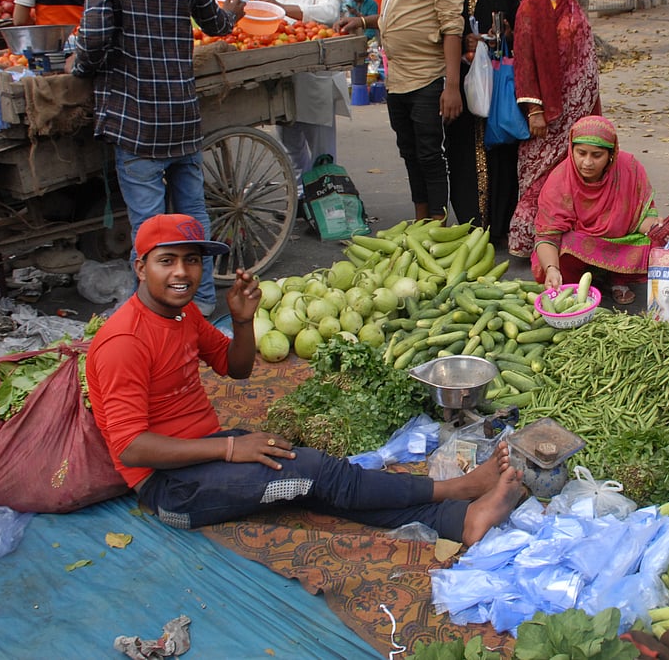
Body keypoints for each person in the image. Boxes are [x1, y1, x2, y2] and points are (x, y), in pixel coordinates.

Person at [86, 213, 524, 544]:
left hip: (204, 452)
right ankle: (457, 489)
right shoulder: (124, 341)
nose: (182, 272)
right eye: (167, 261)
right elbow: (131, 447)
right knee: (315, 472)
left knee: (316, 483)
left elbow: (236, 368)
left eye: (192, 261)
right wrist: (232, 448)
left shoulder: (181, 315)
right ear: (140, 268)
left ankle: (459, 521)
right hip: (171, 488)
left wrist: (243, 322)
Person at [71, 0, 245, 317]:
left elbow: (93, 40)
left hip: (136, 123)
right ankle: (200, 304)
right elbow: (216, 25)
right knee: (192, 216)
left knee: (149, 228)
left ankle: (157, 315)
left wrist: (81, 66)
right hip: (182, 119)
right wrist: (234, 11)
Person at [335, 0, 467, 222]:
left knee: (429, 154)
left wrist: (452, 86)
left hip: (429, 77)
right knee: (409, 152)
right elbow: (394, 14)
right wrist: (362, 22)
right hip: (397, 78)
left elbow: (452, 27)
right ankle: (420, 219)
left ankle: (438, 227)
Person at [509, 0, 602, 258]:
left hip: (578, 109)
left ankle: (566, 242)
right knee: (540, 178)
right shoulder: (531, 6)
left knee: (573, 177)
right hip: (548, 115)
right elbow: (524, 61)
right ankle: (529, 241)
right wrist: (534, 110)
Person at [533, 116, 659, 306]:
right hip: (580, 244)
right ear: (571, 150)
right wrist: (552, 268)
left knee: (657, 241)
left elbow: (641, 217)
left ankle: (618, 278)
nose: (587, 162)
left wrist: (660, 229)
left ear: (611, 154)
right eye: (581, 153)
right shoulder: (559, 180)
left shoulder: (629, 168)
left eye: (597, 155)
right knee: (564, 246)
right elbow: (547, 235)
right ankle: (573, 281)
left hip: (619, 241)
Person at [258, 0, 348, 190]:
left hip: (314, 83)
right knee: (291, 148)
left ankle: (325, 198)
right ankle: (299, 197)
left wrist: (283, 9)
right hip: (284, 82)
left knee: (322, 152)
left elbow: (329, 13)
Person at [448, 0, 522, 236]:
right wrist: (465, 40)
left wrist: (505, 35)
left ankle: (499, 224)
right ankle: (470, 223)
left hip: (498, 85)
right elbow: (443, 28)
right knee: (462, 151)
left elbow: (521, 33)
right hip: (463, 83)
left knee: (501, 151)